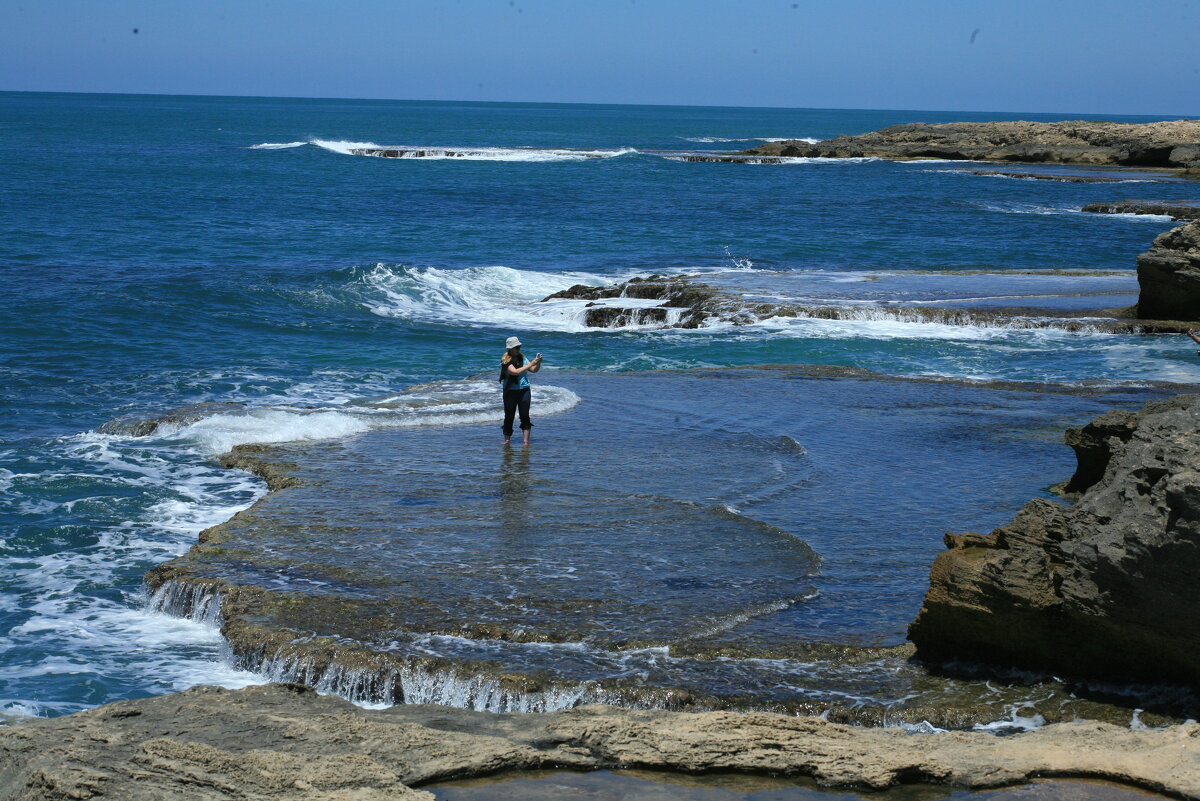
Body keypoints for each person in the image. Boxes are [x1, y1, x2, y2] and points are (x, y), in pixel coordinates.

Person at [499, 336, 542, 446]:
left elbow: (533, 370)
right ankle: (507, 440)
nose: (518, 349)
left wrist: (537, 363)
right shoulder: (506, 361)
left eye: (519, 347)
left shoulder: (523, 358)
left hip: (524, 390)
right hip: (510, 391)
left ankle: (526, 441)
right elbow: (515, 372)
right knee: (509, 416)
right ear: (510, 348)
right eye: (516, 347)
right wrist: (530, 364)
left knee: (525, 415)